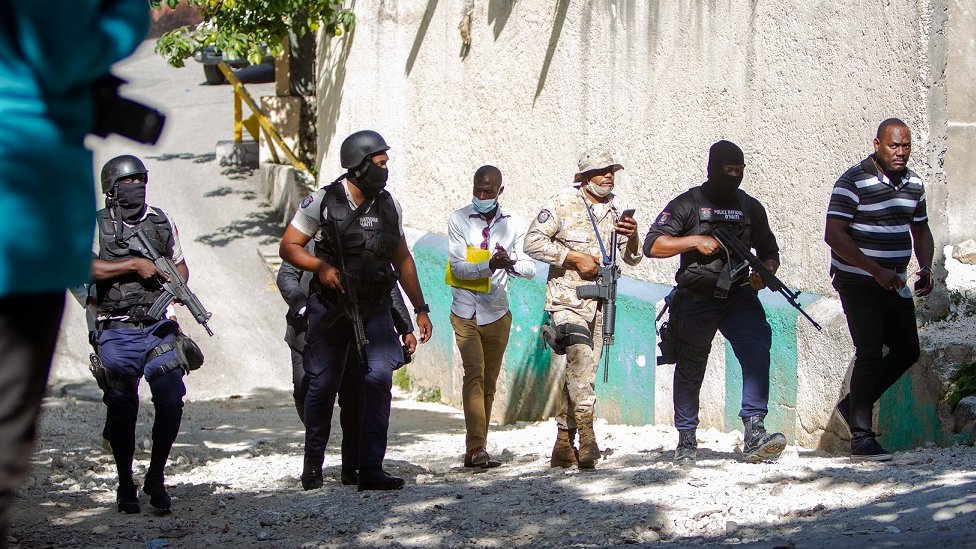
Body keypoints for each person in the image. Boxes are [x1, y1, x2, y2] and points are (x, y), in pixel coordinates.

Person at [0, 2, 148, 542]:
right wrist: (135, 15)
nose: (136, 191)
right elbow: (65, 46)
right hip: (23, 234)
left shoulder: (157, 221)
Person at [279, 129, 433, 491]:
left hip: (374, 308)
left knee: (378, 382)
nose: (386, 169)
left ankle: (369, 468)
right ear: (360, 166)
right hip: (331, 308)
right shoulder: (322, 201)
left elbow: (402, 260)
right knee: (322, 386)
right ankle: (313, 467)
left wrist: (420, 309)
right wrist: (320, 267)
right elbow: (289, 246)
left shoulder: (389, 205)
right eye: (380, 163)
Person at [643, 140, 787, 466]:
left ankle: (755, 431)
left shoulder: (749, 207)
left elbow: (770, 251)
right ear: (712, 169)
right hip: (697, 297)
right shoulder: (688, 203)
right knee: (691, 366)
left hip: (739, 295)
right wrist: (694, 241)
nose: (734, 176)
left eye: (740, 170)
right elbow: (653, 245)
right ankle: (686, 439)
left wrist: (764, 273)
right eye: (728, 170)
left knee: (756, 351)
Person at [524, 147, 641, 470]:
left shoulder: (614, 212)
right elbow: (532, 242)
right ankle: (588, 437)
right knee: (581, 359)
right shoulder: (563, 203)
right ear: (585, 177)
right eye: (602, 171)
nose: (608, 176)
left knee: (581, 372)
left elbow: (632, 257)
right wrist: (573, 258)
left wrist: (632, 237)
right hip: (566, 301)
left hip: (601, 304)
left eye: (612, 171)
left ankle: (563, 442)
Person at [89, 155, 194, 514]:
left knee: (171, 398)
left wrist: (176, 282)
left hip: (158, 326)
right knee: (122, 408)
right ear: (112, 189)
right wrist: (133, 264)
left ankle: (156, 477)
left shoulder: (162, 221)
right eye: (128, 182)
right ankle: (125, 483)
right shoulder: (97, 225)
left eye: (141, 181)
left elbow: (180, 263)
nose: (136, 187)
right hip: (116, 328)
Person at [824, 118, 933, 462]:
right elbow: (834, 234)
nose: (900, 152)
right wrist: (875, 270)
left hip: (894, 281)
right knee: (869, 351)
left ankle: (852, 406)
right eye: (893, 145)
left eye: (906, 146)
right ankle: (861, 438)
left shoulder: (914, 184)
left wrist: (926, 268)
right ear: (877, 144)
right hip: (857, 281)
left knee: (907, 350)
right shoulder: (853, 181)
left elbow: (921, 230)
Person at [276, 254, 417, 485]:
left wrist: (405, 326)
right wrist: (304, 309)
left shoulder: (368, 244)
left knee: (354, 399)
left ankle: (352, 467)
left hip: (352, 329)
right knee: (306, 392)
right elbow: (286, 276)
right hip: (307, 329)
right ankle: (313, 462)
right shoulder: (307, 241)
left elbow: (386, 285)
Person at [447, 165, 536, 469]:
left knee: (488, 382)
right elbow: (458, 267)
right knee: (474, 372)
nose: (482, 195)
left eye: (488, 191)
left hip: (497, 311)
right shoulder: (459, 220)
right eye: (478, 189)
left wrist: (509, 262)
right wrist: (490, 264)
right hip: (465, 311)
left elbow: (530, 268)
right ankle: (476, 447)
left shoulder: (514, 223)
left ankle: (478, 448)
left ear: (500, 191)